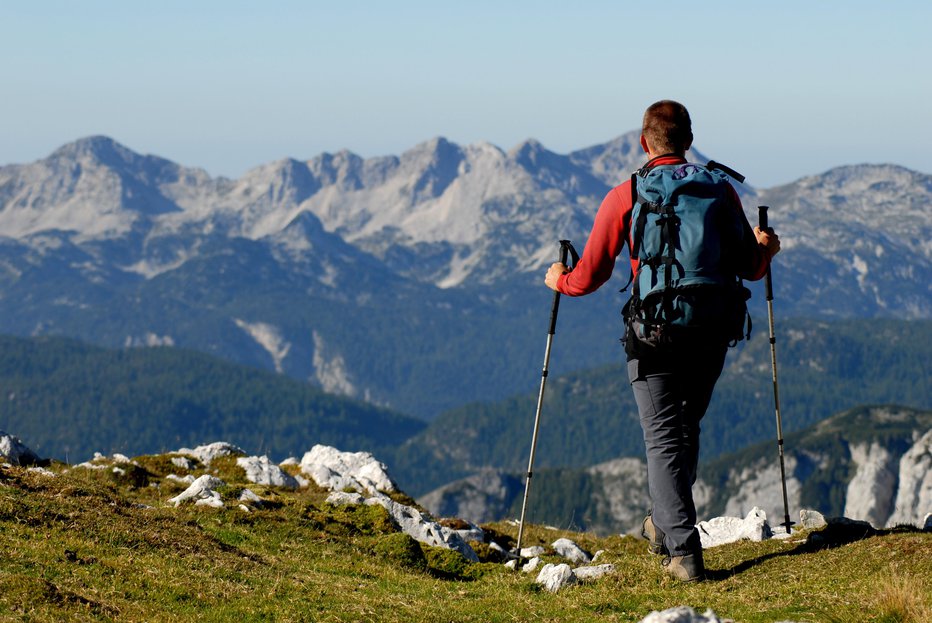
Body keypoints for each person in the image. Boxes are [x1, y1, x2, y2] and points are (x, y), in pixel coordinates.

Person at [544, 100, 780, 582]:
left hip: (654, 336)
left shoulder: (625, 195)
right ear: (690, 141)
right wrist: (766, 248)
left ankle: (684, 552)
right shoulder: (720, 191)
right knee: (684, 429)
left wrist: (559, 281)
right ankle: (662, 525)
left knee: (664, 438)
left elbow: (590, 274)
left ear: (642, 142)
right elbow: (750, 267)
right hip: (713, 331)